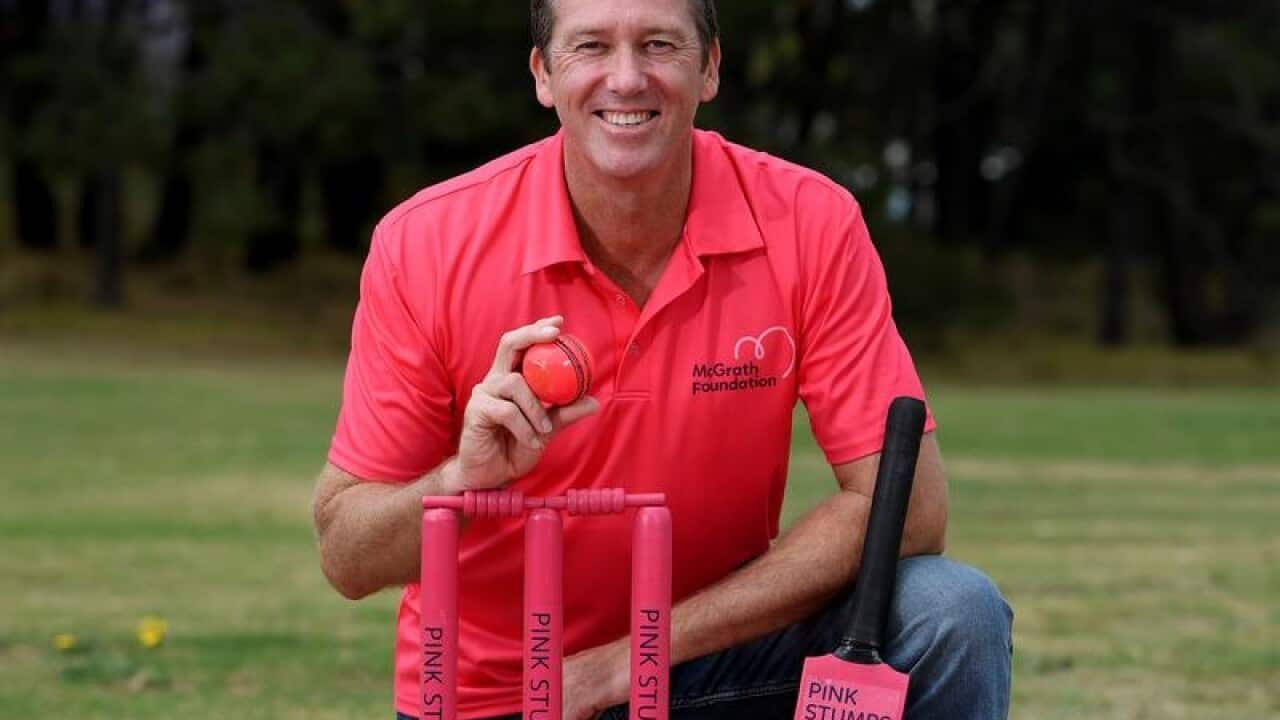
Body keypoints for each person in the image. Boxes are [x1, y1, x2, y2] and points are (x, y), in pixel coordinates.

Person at [312, 1, 1013, 718]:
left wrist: (634, 658)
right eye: (590, 46)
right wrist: (463, 481)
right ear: (543, 75)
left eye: (658, 45)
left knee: (950, 612)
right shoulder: (426, 243)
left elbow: (908, 509)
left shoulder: (809, 219)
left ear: (709, 67)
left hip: (719, 660)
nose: (626, 78)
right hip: (505, 697)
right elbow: (347, 557)